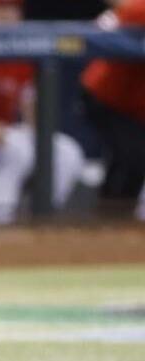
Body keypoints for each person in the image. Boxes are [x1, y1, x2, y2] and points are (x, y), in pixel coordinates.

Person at [0, 0, 84, 224]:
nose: (6, 15)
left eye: (12, 9)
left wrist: (36, 136)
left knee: (67, 152)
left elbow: (29, 105)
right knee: (16, 150)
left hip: (4, 131)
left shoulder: (22, 51)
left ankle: (40, 222)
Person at [81, 0, 145, 221]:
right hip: (106, 97)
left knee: (130, 161)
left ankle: (114, 222)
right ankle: (109, 223)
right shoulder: (139, 9)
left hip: (137, 107)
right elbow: (94, 31)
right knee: (134, 157)